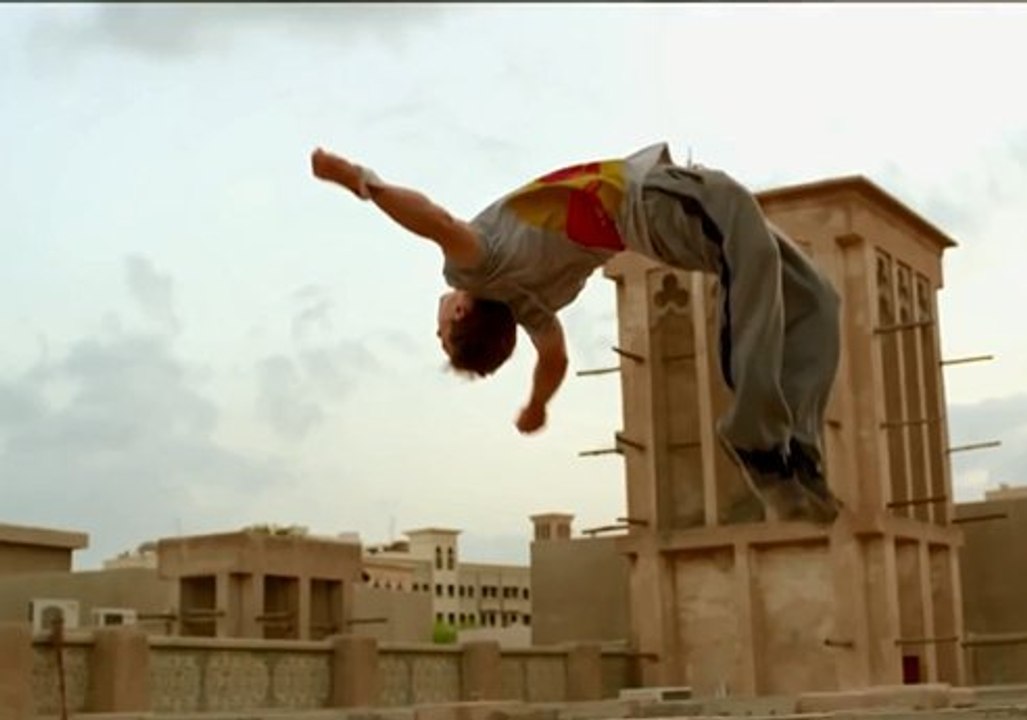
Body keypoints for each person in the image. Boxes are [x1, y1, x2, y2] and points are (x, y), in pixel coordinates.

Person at [310, 142, 843, 523]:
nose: (437, 332)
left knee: (817, 298)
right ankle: (758, 437)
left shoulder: (532, 307)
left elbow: (555, 360)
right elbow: (436, 221)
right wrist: (361, 180)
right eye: (445, 337)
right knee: (737, 224)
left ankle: (801, 450)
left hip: (665, 214)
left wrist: (537, 405)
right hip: (649, 204)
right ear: (459, 316)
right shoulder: (477, 266)